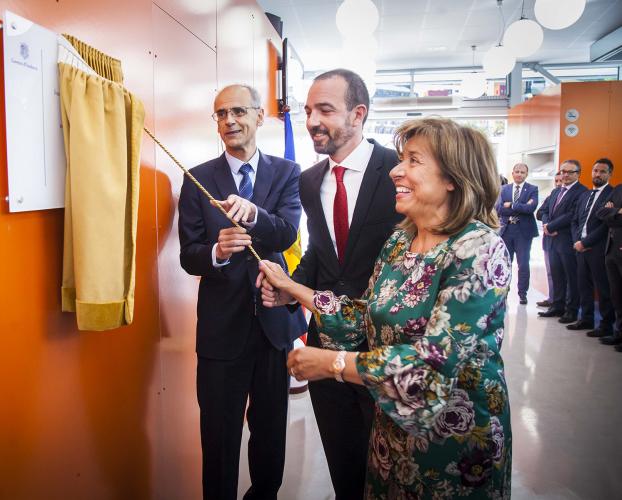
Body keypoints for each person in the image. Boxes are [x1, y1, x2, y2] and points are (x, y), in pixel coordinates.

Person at [258, 117, 512, 498]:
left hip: (455, 447)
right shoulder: (400, 242)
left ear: (452, 177)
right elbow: (363, 316)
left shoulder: (478, 249)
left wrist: (332, 363)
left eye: (413, 160)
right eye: (400, 159)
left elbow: (432, 363)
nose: (396, 170)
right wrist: (292, 288)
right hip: (391, 436)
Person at [178, 84, 306, 500]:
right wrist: (215, 253)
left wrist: (254, 215)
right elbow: (188, 255)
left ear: (259, 116)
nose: (229, 120)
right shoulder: (197, 178)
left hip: (273, 325)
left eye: (237, 111)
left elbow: (286, 233)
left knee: (270, 433)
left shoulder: (287, 172)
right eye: (220, 114)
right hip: (221, 331)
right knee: (219, 438)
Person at [287, 68, 400, 500]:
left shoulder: (398, 172)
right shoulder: (309, 180)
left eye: (325, 110)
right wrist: (289, 287)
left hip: (384, 347)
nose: (312, 121)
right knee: (344, 462)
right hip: (324, 343)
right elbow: (321, 251)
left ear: (358, 114)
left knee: (388, 470)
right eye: (308, 111)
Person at [537, 160, 588, 323]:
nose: (565, 175)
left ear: (578, 174)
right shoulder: (556, 191)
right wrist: (546, 225)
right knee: (557, 275)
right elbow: (544, 211)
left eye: (569, 172)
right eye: (563, 171)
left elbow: (573, 214)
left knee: (571, 277)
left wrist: (551, 226)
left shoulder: (582, 192)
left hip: (567, 240)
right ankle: (557, 306)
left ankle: (571, 311)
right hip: (551, 240)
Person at [570, 158, 614, 336]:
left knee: (603, 288)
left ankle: (606, 325)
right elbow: (575, 220)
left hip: (598, 249)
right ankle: (586, 319)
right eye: (596, 170)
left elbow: (606, 225)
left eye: (603, 171)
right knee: (583, 286)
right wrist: (577, 241)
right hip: (580, 248)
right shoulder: (585, 195)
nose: (598, 174)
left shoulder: (612, 194)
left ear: (610, 174)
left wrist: (586, 243)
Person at [496, 163, 538, 304]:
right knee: (505, 264)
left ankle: (522, 293)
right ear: (512, 173)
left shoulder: (532, 189)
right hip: (506, 231)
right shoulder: (504, 189)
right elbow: (499, 209)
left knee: (523, 264)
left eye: (522, 172)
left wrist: (512, 205)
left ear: (526, 174)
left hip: (523, 233)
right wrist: (522, 207)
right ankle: (503, 292)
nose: (519, 174)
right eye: (517, 171)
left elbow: (530, 209)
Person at [597, 161, 622, 350]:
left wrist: (612, 212)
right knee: (617, 294)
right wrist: (617, 212)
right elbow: (601, 212)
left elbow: (608, 214)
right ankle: (618, 333)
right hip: (612, 249)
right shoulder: (619, 189)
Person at [536, 172, 563, 307]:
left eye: (560, 181)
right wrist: (547, 225)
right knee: (551, 272)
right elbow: (540, 213)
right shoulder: (552, 194)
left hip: (562, 239)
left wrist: (552, 226)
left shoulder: (573, 195)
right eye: (556, 181)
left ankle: (561, 302)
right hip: (548, 240)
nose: (558, 184)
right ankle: (552, 299)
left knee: (563, 274)